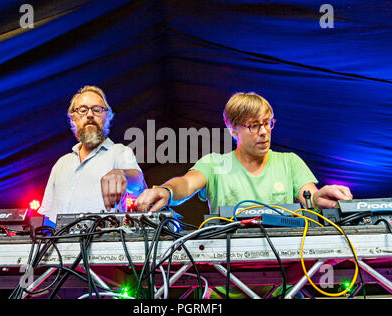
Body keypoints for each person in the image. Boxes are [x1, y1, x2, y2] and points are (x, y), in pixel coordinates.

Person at [135, 92, 352, 214]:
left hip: (284, 283)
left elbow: (309, 196)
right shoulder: (214, 163)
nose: (264, 132)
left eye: (268, 123)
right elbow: (186, 183)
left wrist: (320, 196)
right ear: (233, 129)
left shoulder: (290, 162)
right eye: (254, 125)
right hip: (224, 282)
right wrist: (167, 191)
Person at [38, 85, 146, 222]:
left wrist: (122, 174)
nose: (90, 115)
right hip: (59, 243)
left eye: (97, 110)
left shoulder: (120, 151)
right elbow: (48, 217)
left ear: (107, 117)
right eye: (82, 110)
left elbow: (138, 182)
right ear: (74, 119)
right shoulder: (61, 164)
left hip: (106, 242)